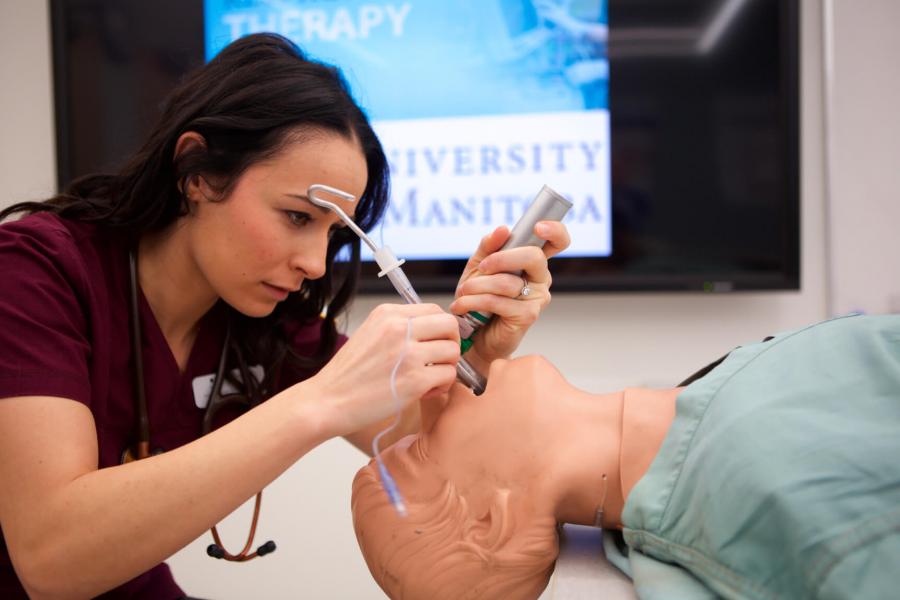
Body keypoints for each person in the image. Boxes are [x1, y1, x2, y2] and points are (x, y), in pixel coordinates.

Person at [0, 33, 570, 599]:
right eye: (298, 217)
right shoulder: (35, 272)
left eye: (332, 232)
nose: (316, 265)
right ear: (197, 172)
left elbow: (425, 439)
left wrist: (479, 345)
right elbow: (51, 560)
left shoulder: (262, 321)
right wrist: (320, 402)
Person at [352, 313, 900, 599]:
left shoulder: (702, 435)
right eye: (420, 450)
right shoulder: (764, 482)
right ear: (496, 518)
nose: (433, 398)